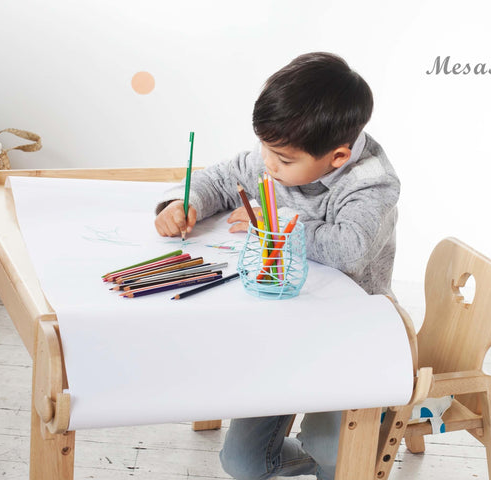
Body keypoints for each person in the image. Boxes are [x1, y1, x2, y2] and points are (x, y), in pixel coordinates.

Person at [154, 52, 399, 480]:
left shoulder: (370, 181)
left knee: (334, 452)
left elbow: (350, 248)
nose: (268, 165)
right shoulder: (282, 150)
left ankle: (339, 451)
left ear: (338, 157)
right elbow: (222, 177)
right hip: (283, 326)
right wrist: (184, 202)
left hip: (352, 335)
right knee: (242, 464)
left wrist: (272, 222)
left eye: (283, 161)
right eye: (266, 150)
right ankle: (312, 449)